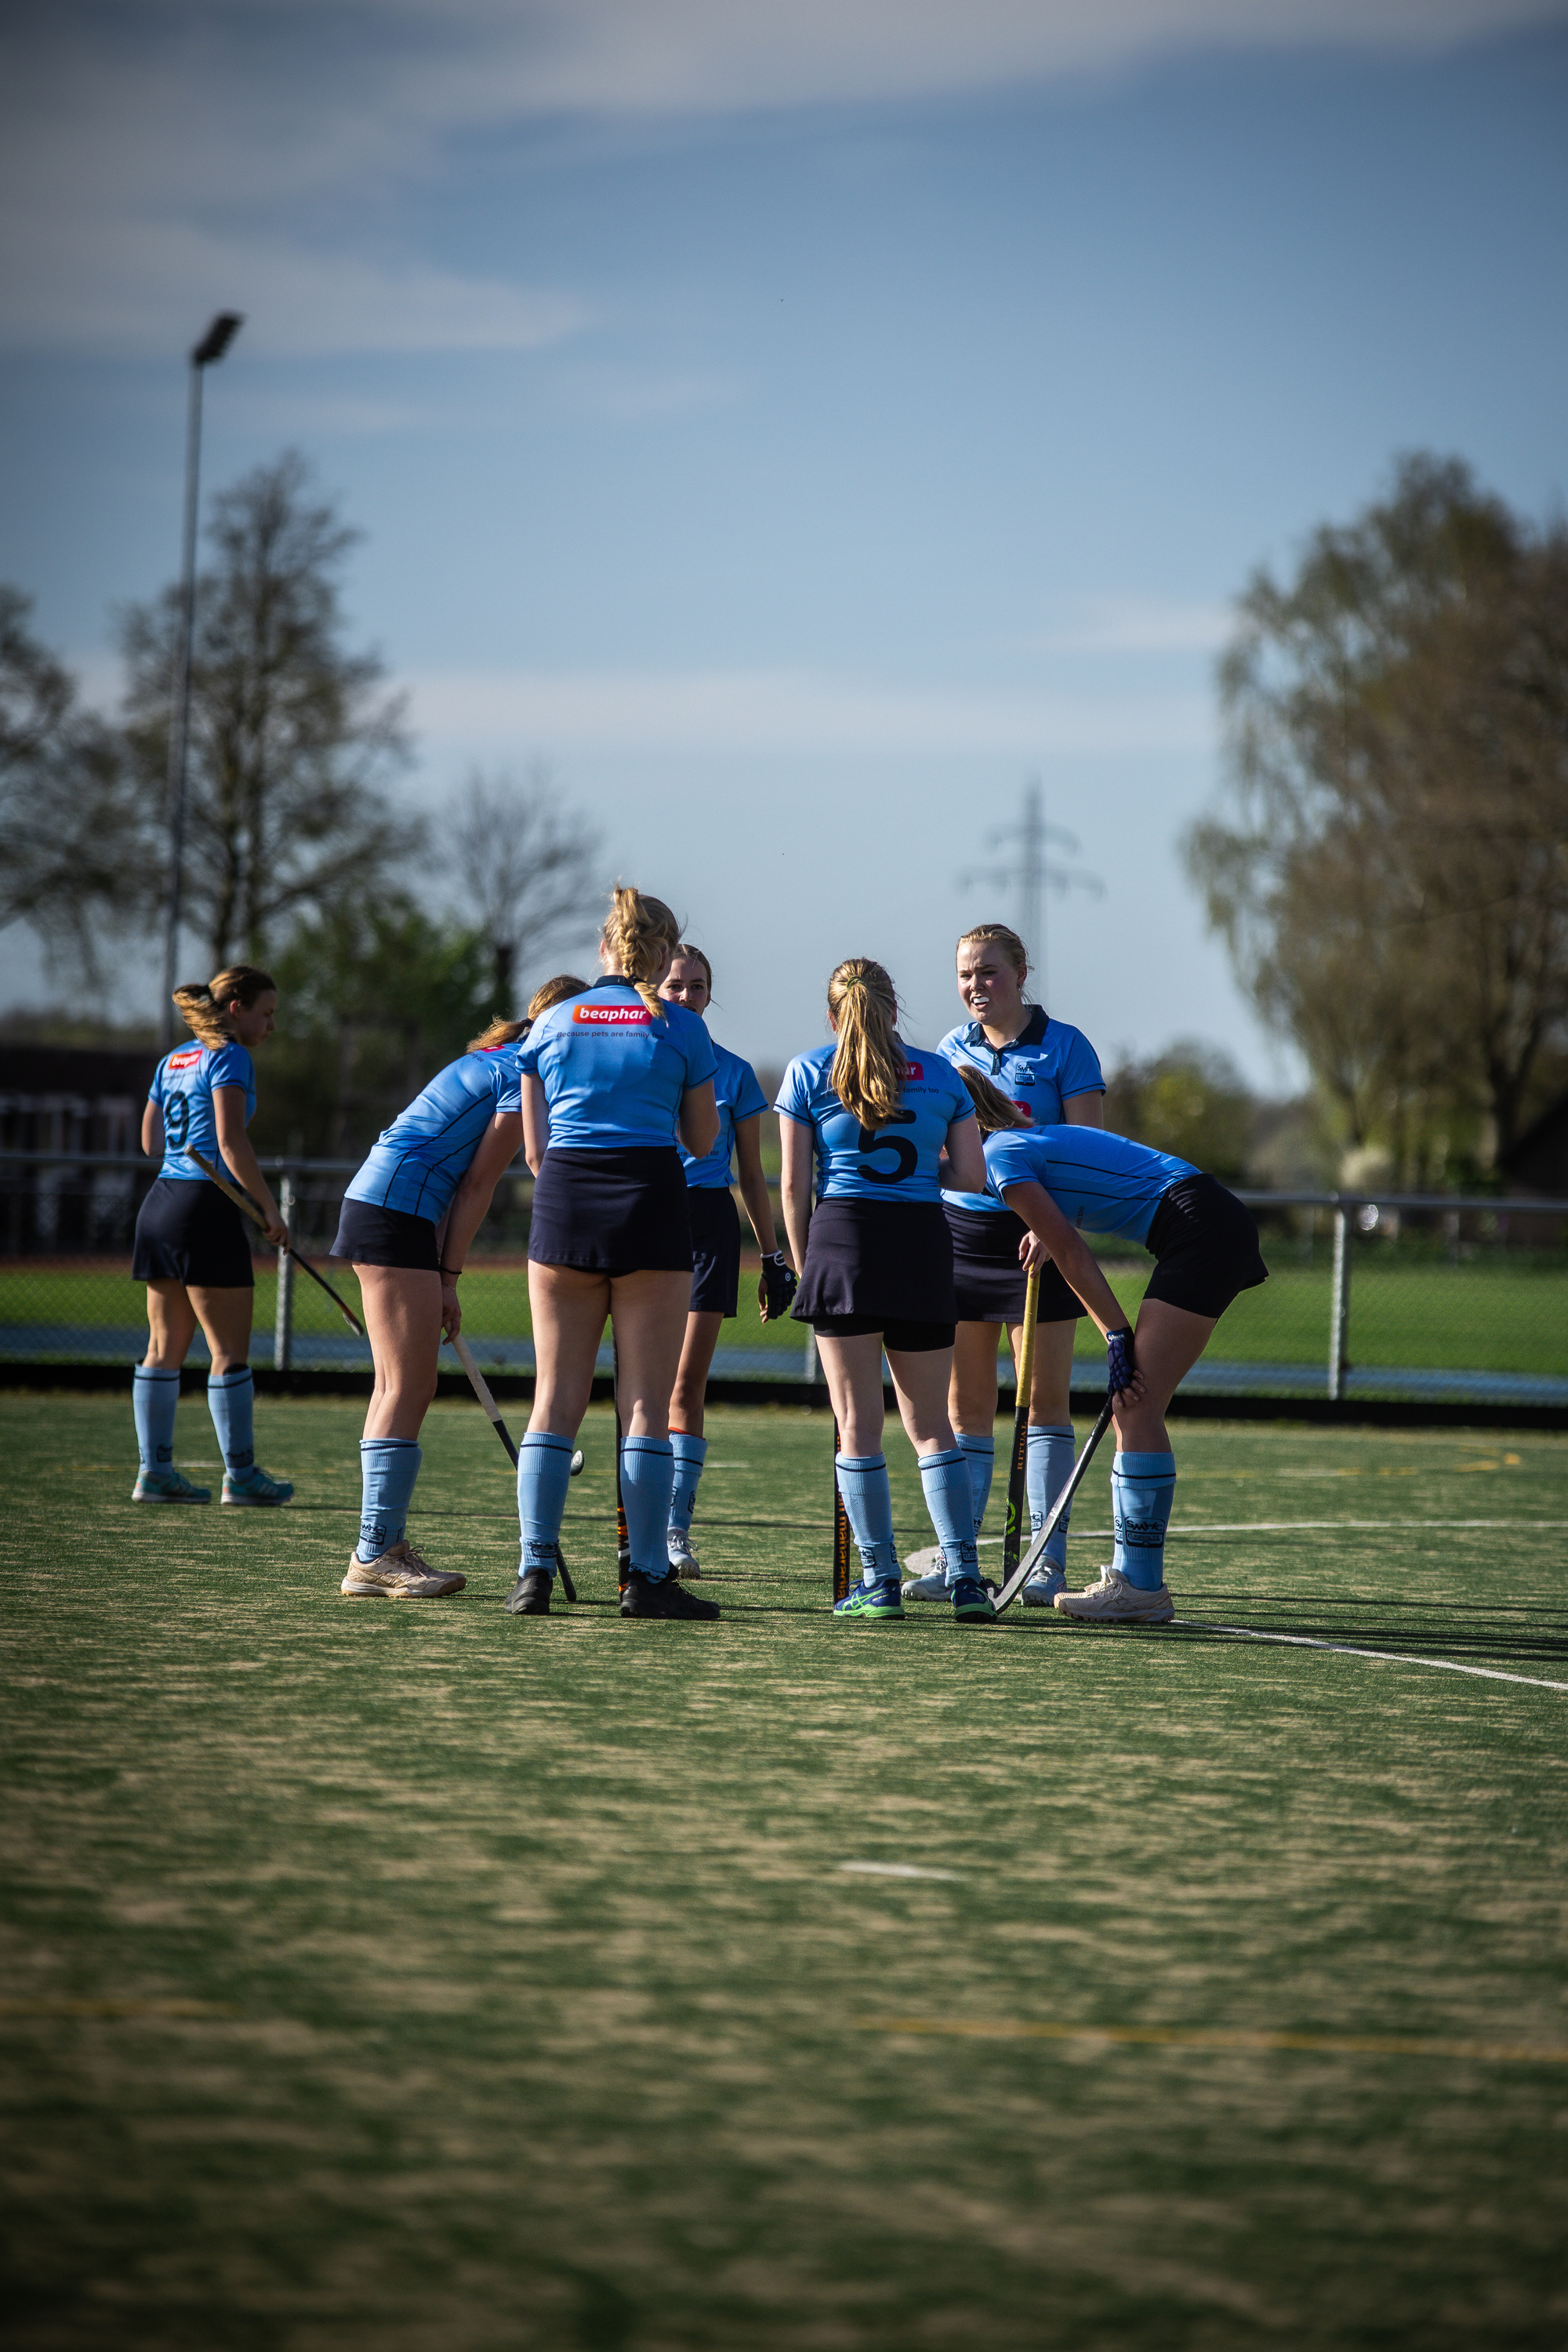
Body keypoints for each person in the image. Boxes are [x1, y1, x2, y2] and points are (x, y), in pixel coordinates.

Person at [329, 974, 589, 1601]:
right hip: (394, 1213)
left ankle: (378, 1547)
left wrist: (442, 1275)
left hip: (397, 1212)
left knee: (398, 1383)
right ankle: (375, 1555)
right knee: (406, 1384)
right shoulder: (515, 1075)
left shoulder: (497, 1061)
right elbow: (478, 1187)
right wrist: (449, 1277)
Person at [978, 1087, 1269, 1623]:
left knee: (1134, 1405)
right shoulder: (1019, 1145)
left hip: (1199, 1228)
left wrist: (1115, 1335)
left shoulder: (999, 1154)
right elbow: (1083, 1197)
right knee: (1137, 1407)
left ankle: (1139, 1586)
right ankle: (1138, 1582)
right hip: (1206, 1221)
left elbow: (1069, 1249)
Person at [510, 888, 721, 1622]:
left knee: (553, 1402)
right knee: (644, 1410)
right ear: (663, 956)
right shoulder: (682, 1027)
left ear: (604, 948)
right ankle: (644, 1578)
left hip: (566, 1201)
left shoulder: (551, 1020)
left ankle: (533, 1572)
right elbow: (701, 1143)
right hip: (651, 1207)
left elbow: (534, 1151)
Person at [776, 957, 993, 1622]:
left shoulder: (809, 1071)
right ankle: (964, 1579)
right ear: (894, 1011)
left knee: (858, 1428)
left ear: (833, 1015)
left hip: (843, 1243)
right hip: (923, 1244)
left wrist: (804, 1263)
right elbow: (970, 1181)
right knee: (933, 1427)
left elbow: (790, 1186)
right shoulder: (943, 1076)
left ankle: (880, 1581)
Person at [909, 923, 1105, 1608]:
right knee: (965, 1406)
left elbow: (1088, 1154)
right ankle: (961, 1558)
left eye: (989, 972)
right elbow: (935, 1146)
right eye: (966, 974)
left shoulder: (1066, 1047)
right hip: (963, 1237)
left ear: (1022, 974)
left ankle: (1045, 1561)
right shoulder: (947, 1051)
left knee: (1043, 1404)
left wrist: (1055, 1231)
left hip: (1037, 1241)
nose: (975, 986)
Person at [657, 942, 797, 1576]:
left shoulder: (734, 1072)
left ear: (711, 993)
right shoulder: (638, 1060)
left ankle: (672, 1532)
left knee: (685, 1385)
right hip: (643, 1214)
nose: (686, 996)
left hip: (709, 1223)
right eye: (674, 985)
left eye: (697, 986)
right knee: (640, 1386)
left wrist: (773, 1257)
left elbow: (751, 1174)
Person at [132, 965, 294, 1508]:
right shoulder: (229, 1057)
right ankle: (242, 1478)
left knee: (162, 1350)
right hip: (205, 1207)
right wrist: (268, 1209)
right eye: (265, 1013)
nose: (270, 1025)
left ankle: (154, 1474)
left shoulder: (173, 1058)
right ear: (235, 1009)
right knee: (228, 1354)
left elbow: (150, 1144)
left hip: (160, 1206)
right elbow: (231, 1143)